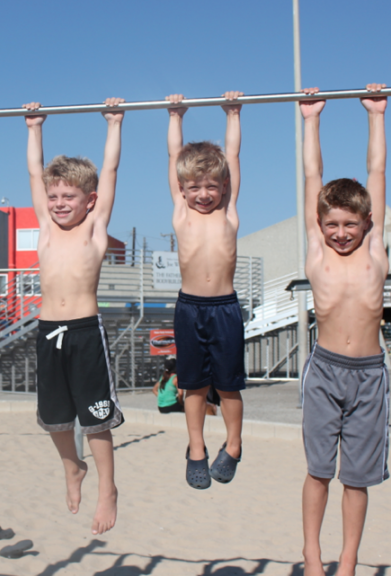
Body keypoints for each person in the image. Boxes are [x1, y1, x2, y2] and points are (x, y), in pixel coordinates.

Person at [22, 97, 125, 535]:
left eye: (70, 196)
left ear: (90, 200)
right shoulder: (46, 228)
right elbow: (34, 171)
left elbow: (112, 170)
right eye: (55, 196)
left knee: (96, 417)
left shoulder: (94, 229)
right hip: (47, 330)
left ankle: (108, 489)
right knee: (54, 416)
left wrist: (114, 124)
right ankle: (72, 467)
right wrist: (33, 128)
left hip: (84, 330)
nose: (61, 203)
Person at [299, 84, 389, 576]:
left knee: (357, 478)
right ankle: (313, 553)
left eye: (350, 224)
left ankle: (348, 557)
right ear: (321, 223)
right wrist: (311, 119)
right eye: (332, 224)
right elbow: (313, 175)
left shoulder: (374, 251)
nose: (340, 233)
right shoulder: (319, 252)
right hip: (326, 370)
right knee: (319, 471)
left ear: (367, 222)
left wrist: (375, 116)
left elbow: (377, 172)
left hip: (370, 375)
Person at [165, 92, 246, 490]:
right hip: (189, 307)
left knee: (228, 384)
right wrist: (176, 115)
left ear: (224, 185)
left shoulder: (227, 212)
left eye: (212, 186)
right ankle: (196, 447)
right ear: (182, 188)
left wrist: (232, 114)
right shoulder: (181, 212)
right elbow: (172, 157)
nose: (203, 194)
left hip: (225, 308)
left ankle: (233, 445)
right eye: (194, 186)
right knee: (191, 383)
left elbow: (233, 154)